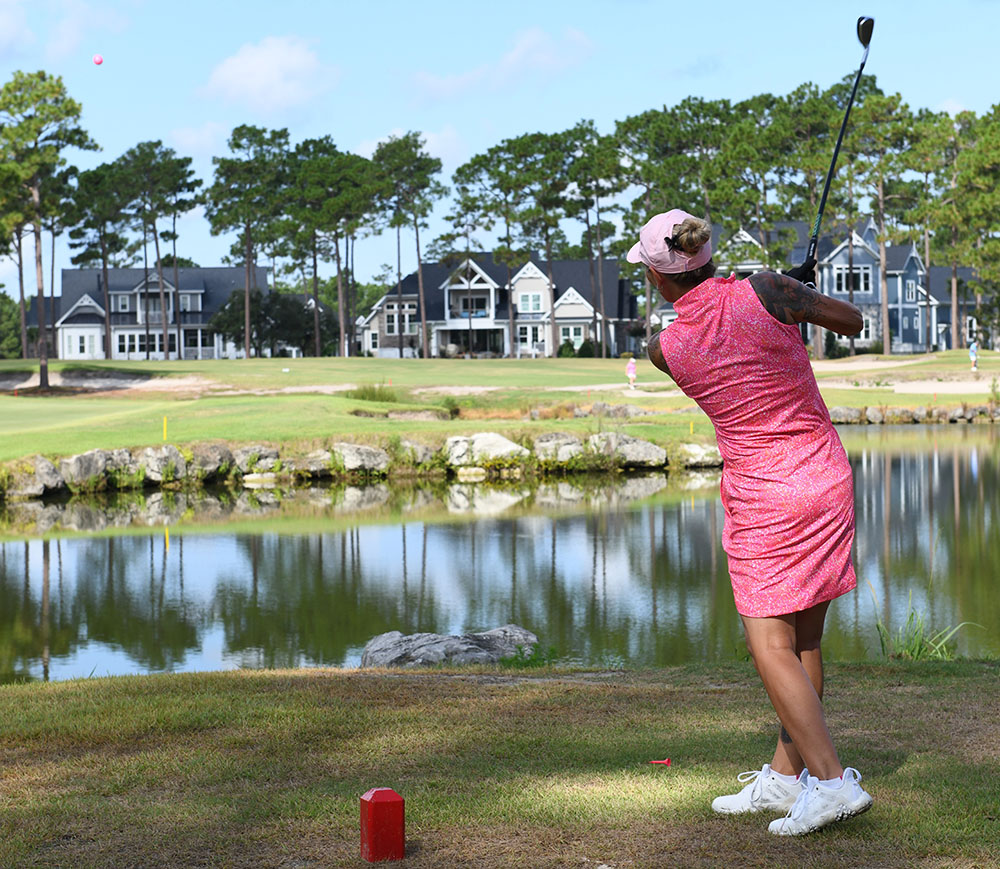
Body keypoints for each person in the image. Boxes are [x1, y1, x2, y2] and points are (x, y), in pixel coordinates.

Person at [629, 209, 872, 837]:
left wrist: (784, 296)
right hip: (823, 478)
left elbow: (720, 334)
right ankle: (788, 776)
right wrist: (798, 295)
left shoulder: (665, 349)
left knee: (771, 646)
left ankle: (829, 782)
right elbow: (852, 322)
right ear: (707, 253)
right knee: (804, 642)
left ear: (659, 279)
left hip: (765, 495)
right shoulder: (769, 290)